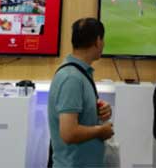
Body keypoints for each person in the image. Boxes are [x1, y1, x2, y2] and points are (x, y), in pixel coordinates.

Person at [47, 18, 114, 168]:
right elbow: (69, 133)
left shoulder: (79, 73)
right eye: (103, 40)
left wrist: (99, 110)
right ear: (97, 41)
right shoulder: (72, 78)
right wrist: (101, 131)